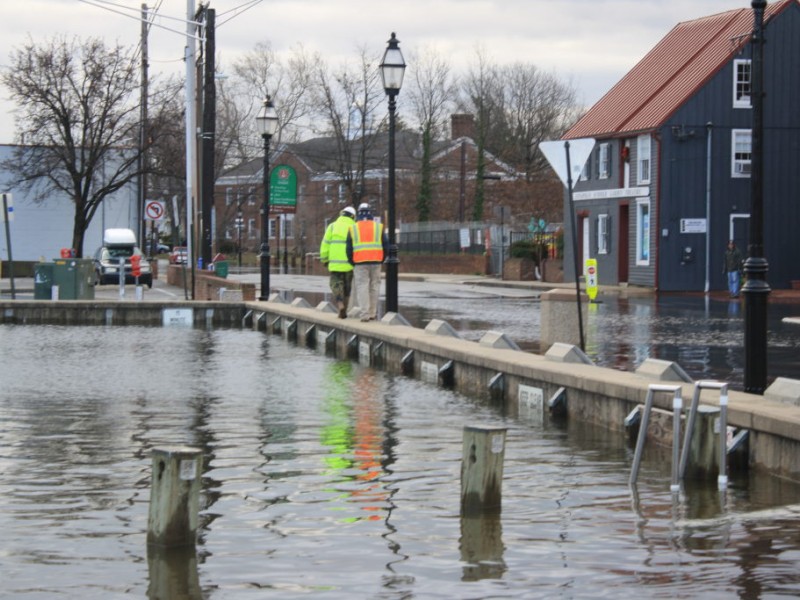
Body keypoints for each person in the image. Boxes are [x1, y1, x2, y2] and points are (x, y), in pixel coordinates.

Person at [347, 202, 388, 322]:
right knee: (374, 286)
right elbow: (385, 244)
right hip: (376, 261)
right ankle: (372, 313)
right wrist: (382, 258)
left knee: (362, 286)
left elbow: (348, 248)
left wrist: (352, 261)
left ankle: (364, 314)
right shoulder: (378, 227)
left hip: (359, 262)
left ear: (358, 214)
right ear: (370, 213)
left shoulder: (353, 228)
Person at [320, 206, 356, 318]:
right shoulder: (354, 227)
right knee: (347, 288)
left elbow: (325, 244)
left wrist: (324, 259)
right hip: (349, 264)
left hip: (335, 263)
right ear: (353, 216)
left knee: (335, 285)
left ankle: (340, 304)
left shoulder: (332, 227)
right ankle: (344, 309)